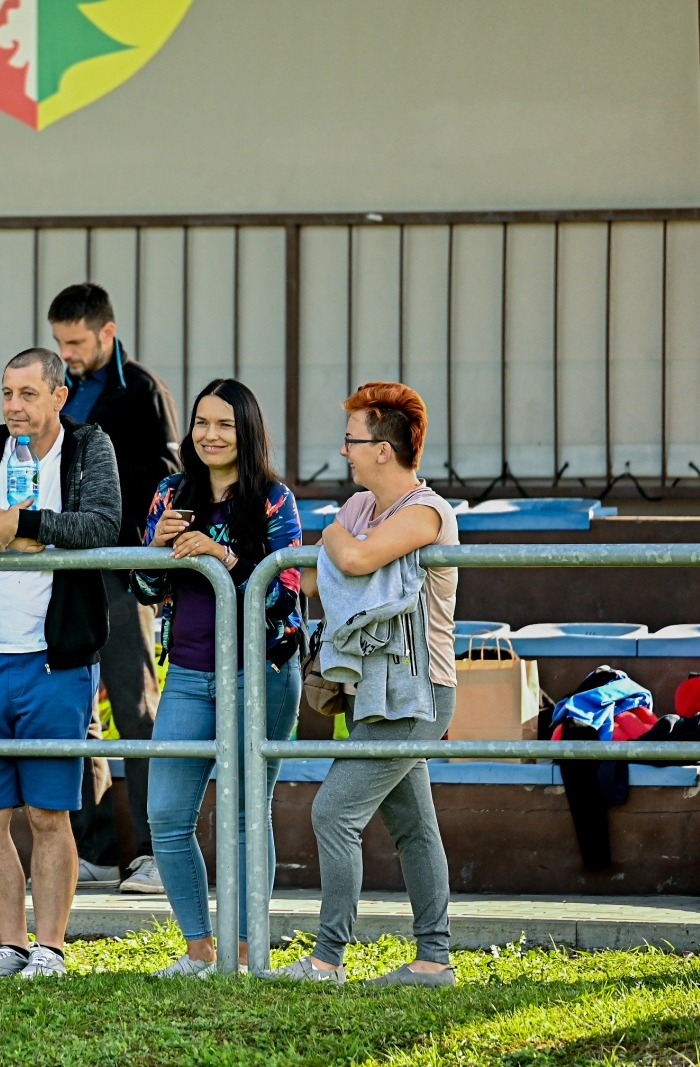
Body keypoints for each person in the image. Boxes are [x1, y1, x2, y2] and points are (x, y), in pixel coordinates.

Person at [0, 347, 122, 979]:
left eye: (28, 394)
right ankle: (10, 946)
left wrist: (28, 522)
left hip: (56, 662)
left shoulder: (91, 448)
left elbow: (103, 526)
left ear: (59, 396)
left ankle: (52, 948)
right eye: (7, 393)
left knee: (47, 813)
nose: (13, 406)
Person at [266, 381, 460, 987]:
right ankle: (434, 960)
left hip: (418, 691)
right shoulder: (358, 511)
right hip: (372, 691)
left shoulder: (427, 512)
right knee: (413, 826)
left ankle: (327, 960)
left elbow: (350, 562)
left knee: (333, 812)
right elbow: (318, 582)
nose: (344, 451)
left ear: (383, 448)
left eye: (351, 439)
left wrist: (327, 538)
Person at [130, 378, 305, 976]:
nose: (209, 434)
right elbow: (146, 591)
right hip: (187, 672)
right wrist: (156, 549)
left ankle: (248, 949)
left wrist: (225, 558)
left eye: (224, 425)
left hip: (261, 674)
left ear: (248, 432)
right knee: (167, 815)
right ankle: (201, 949)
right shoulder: (170, 493)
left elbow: (285, 600)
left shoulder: (273, 500)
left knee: (244, 813)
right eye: (201, 423)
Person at [49, 282, 180, 893]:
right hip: (62, 569)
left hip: (121, 571)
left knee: (135, 707)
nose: (66, 353)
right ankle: (94, 849)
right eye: (58, 342)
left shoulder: (142, 391)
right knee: (77, 712)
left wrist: (145, 556)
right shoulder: (54, 388)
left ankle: (155, 852)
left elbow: (166, 477)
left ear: (107, 332)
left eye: (74, 342)